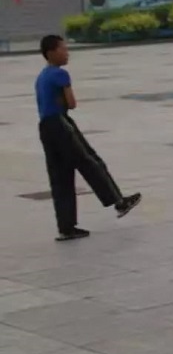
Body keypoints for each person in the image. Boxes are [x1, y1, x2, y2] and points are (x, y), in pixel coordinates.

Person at [35, 35, 141, 241]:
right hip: (61, 123)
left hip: (46, 127)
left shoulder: (42, 76)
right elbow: (71, 103)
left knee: (60, 176)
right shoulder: (60, 74)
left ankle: (66, 227)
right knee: (89, 161)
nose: (67, 53)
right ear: (51, 52)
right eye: (63, 49)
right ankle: (118, 201)